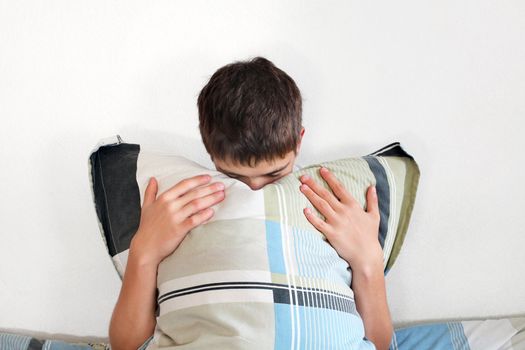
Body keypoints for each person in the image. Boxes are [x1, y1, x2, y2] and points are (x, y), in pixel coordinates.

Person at [108, 56, 393, 350]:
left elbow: (379, 344)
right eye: (233, 176)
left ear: (298, 141)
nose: (254, 190)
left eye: (274, 174)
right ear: (209, 150)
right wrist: (144, 252)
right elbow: (126, 346)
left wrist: (368, 260)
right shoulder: (181, 209)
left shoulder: (330, 209)